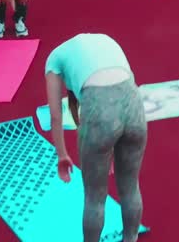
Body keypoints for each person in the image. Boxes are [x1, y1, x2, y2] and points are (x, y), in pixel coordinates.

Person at [44, 33, 146, 242]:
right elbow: (123, 94)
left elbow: (56, 115)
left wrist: (62, 155)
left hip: (100, 113)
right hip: (135, 107)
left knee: (94, 198)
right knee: (130, 187)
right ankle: (131, 239)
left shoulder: (54, 59)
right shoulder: (106, 40)